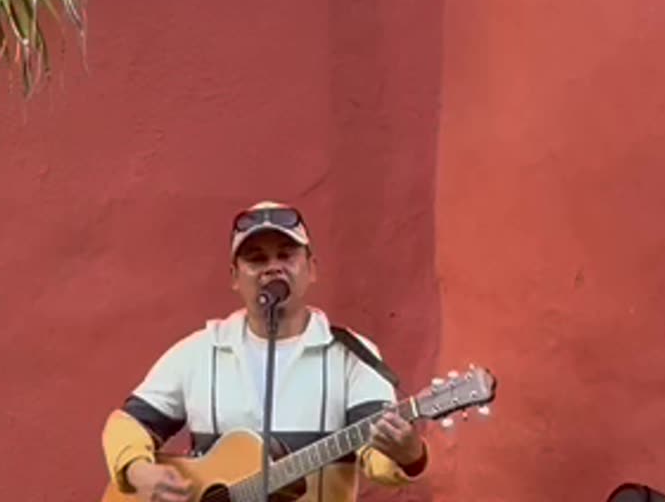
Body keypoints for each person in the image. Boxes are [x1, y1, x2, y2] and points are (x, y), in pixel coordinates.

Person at [101, 201, 429, 501]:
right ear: (234, 277)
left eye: (286, 255)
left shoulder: (351, 356)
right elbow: (127, 424)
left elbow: (378, 459)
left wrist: (409, 455)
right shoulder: (199, 352)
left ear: (311, 269)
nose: (272, 268)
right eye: (256, 259)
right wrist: (137, 470)